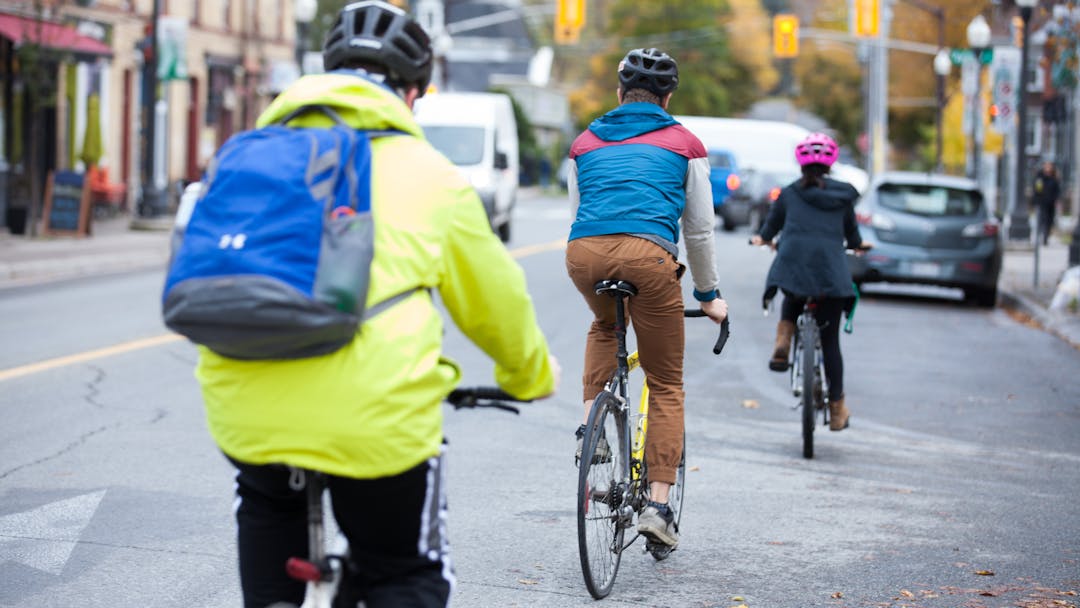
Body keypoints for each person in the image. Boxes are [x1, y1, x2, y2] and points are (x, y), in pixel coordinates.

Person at [191, 3, 560, 607]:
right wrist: (529, 376)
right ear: (411, 94)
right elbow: (497, 304)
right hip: (376, 421)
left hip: (245, 408)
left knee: (265, 504)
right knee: (406, 573)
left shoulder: (245, 153)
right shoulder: (433, 176)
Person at [564, 47, 728, 550]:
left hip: (583, 253)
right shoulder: (685, 143)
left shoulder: (584, 142)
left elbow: (579, 210)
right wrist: (709, 295)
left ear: (619, 94)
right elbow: (698, 232)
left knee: (605, 325)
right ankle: (658, 506)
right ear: (668, 97)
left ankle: (591, 425)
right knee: (665, 380)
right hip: (649, 257)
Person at [750, 132, 868, 432]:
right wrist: (858, 245)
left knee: (794, 289)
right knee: (830, 342)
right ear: (832, 164)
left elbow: (769, 228)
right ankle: (838, 408)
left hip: (794, 264)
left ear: (800, 163)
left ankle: (782, 342)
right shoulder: (843, 197)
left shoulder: (789, 194)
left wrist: (762, 239)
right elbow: (853, 237)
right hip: (831, 272)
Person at [1032, 160, 1061, 246]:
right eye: (1046, 165)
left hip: (1051, 202)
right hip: (1042, 202)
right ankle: (1042, 235)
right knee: (1043, 219)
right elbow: (1037, 189)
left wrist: (1057, 200)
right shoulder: (1040, 177)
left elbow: (1057, 190)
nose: (1048, 168)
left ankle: (1046, 236)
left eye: (1049, 166)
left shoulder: (1054, 178)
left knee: (1050, 220)